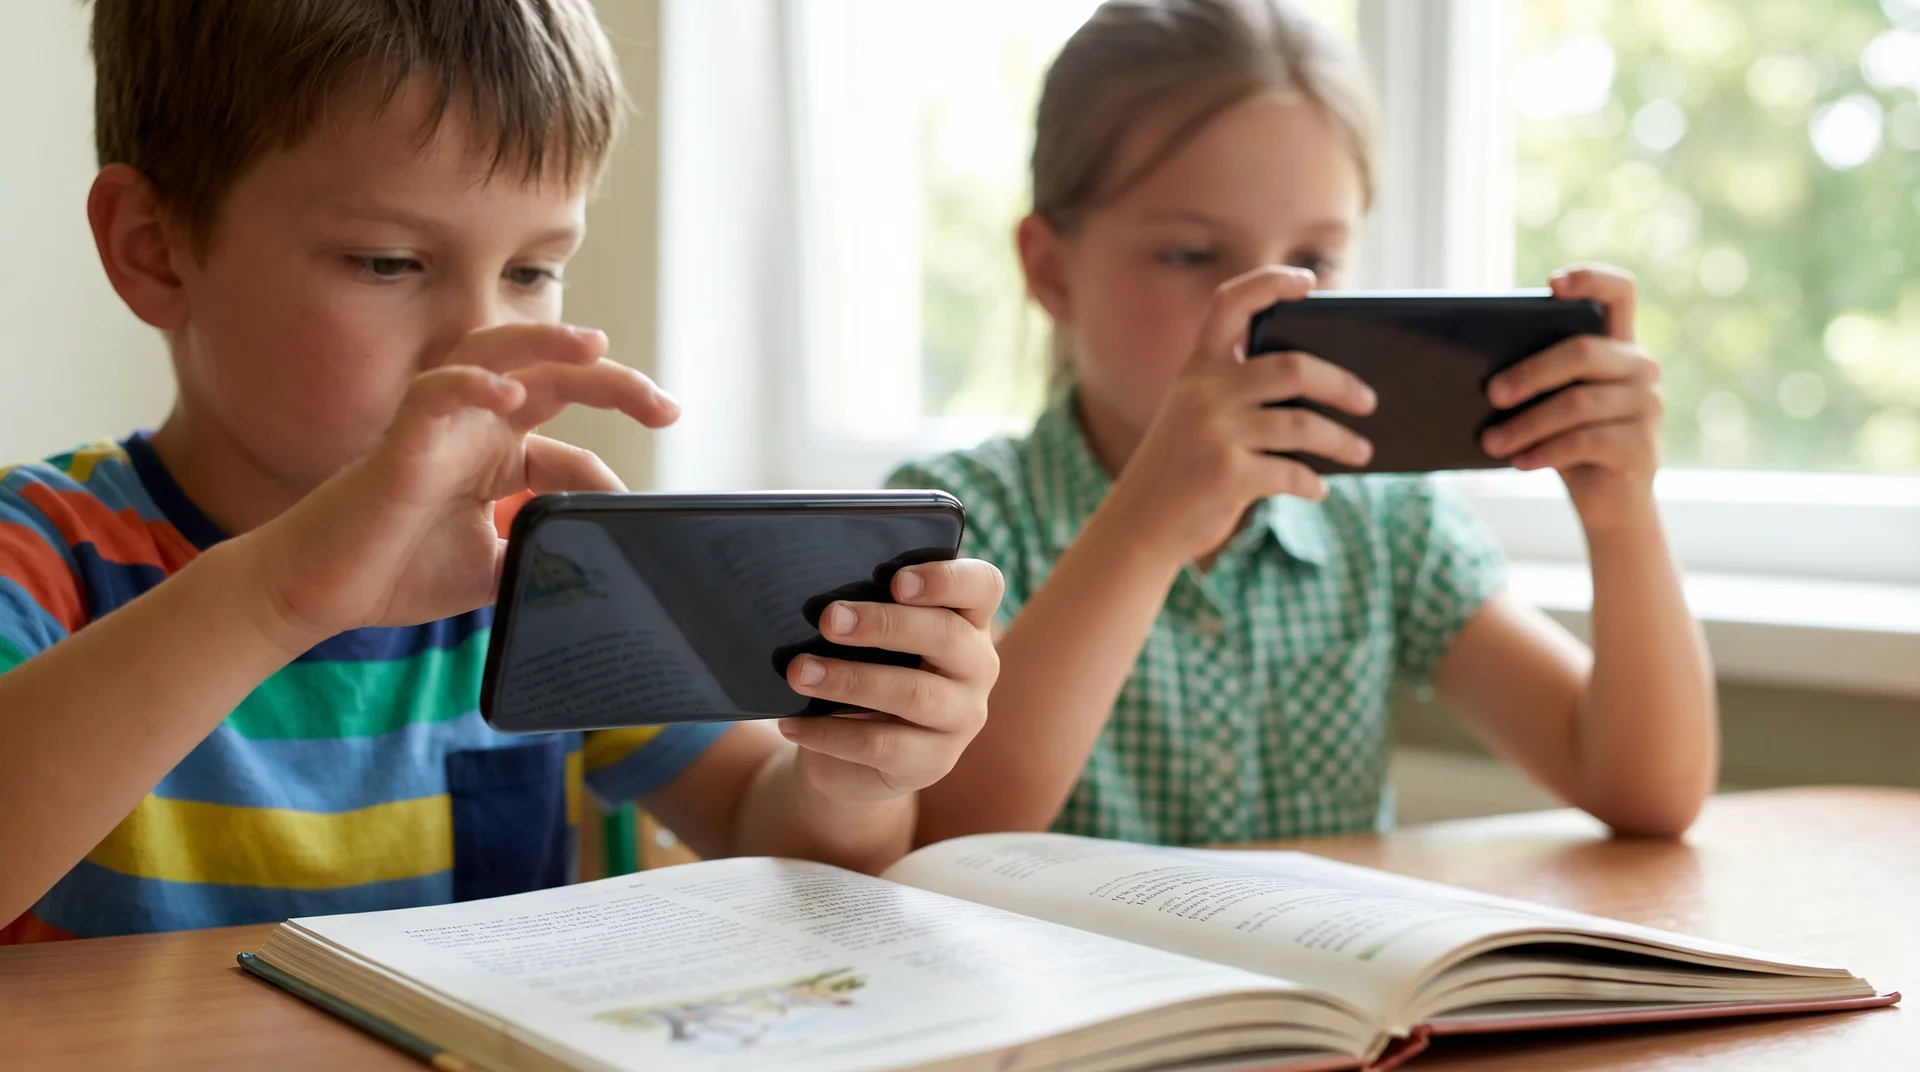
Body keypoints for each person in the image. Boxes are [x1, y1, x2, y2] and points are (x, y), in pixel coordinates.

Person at [0, 0, 1002, 942]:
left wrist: (850, 778)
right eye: (389, 262)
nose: (484, 342)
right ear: (155, 250)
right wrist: (277, 598)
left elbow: (768, 830)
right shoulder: (40, 552)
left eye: (529, 272)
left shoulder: (546, 564)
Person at [892, 0, 1716, 848]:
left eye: (1314, 261)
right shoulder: (953, 523)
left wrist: (1623, 520)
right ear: (1052, 272)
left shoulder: (1383, 523)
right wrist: (1148, 526)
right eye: (1190, 255)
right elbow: (947, 831)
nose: (1259, 313)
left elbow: (1644, 790)